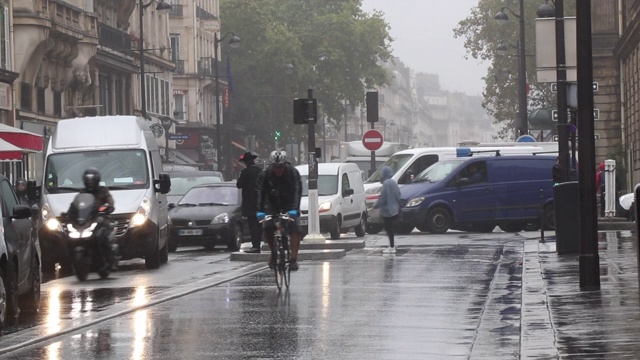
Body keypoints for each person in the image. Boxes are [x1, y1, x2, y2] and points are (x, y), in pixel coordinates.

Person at [256, 150, 302, 270]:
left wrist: (295, 209)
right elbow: (260, 192)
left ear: (285, 165)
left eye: (281, 167)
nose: (278, 170)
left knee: (294, 227)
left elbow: (297, 191)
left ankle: (293, 259)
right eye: (275, 168)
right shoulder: (265, 174)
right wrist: (259, 211)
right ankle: (274, 252)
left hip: (289, 203)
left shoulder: (293, 173)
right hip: (272, 203)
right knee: (268, 226)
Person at [74, 168, 117, 271]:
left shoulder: (103, 190)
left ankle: (110, 260)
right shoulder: (82, 192)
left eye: (92, 181)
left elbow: (110, 201)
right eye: (88, 181)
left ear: (96, 180)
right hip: (87, 220)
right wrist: (69, 213)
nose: (90, 183)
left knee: (102, 238)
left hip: (101, 219)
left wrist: (108, 208)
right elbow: (75, 205)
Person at [236, 151, 262, 253]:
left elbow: (239, 185)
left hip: (249, 203)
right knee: (259, 224)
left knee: (252, 225)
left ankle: (255, 245)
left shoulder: (245, 172)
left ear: (246, 162)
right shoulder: (260, 171)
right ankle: (258, 244)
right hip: (260, 201)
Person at [373, 166, 401, 254]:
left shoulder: (386, 184)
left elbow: (383, 197)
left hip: (388, 211)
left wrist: (375, 206)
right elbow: (398, 195)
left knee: (388, 229)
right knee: (390, 229)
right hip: (395, 209)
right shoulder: (393, 182)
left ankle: (392, 247)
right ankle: (392, 246)